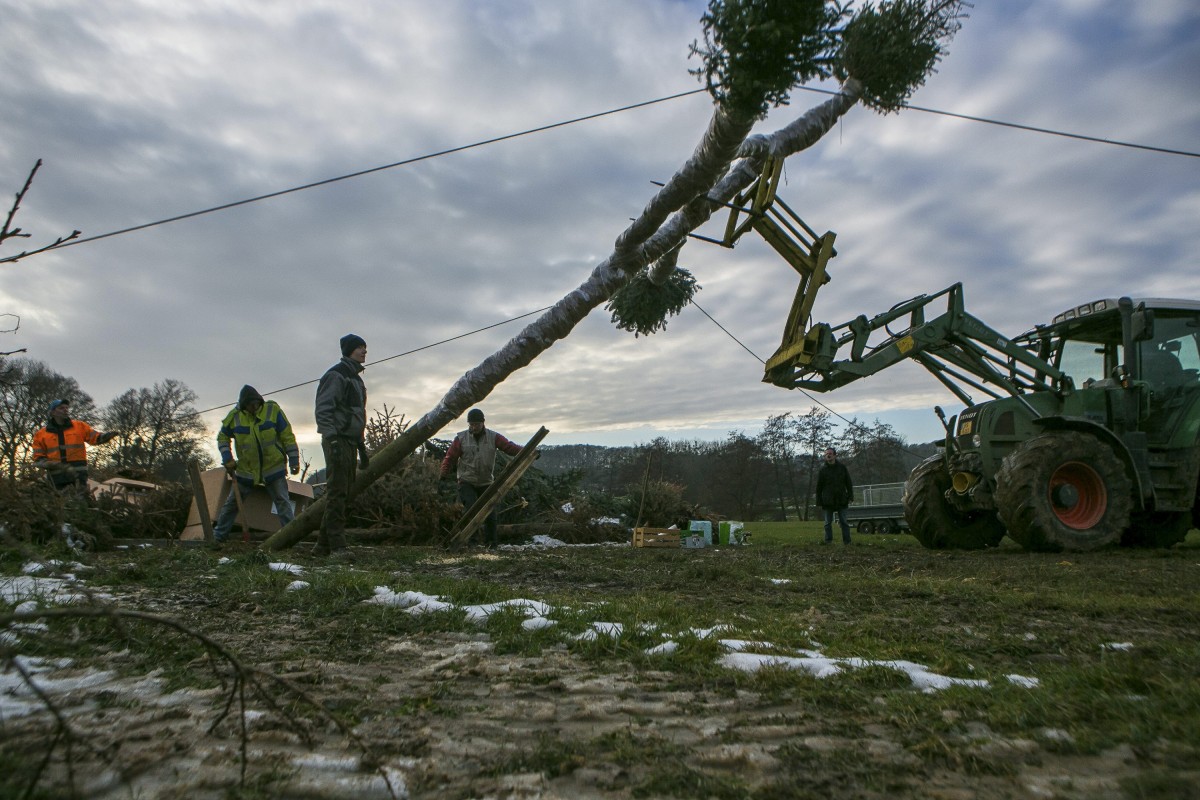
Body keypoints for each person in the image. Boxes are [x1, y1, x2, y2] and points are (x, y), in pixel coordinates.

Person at [212, 385, 300, 544]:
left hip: (273, 468)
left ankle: (290, 539)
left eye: (256, 404)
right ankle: (218, 537)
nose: (254, 408)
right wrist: (227, 458)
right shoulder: (234, 417)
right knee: (232, 504)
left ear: (260, 401)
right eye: (250, 405)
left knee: (283, 503)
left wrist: (294, 460)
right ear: (243, 405)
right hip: (247, 471)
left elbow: (287, 436)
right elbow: (222, 438)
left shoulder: (272, 411)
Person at [314, 333, 369, 557]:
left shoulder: (356, 379)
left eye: (365, 348)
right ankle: (337, 547)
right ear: (349, 350)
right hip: (337, 439)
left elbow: (357, 415)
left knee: (344, 493)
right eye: (360, 348)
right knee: (337, 492)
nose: (365, 351)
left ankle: (322, 546)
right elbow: (324, 409)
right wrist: (332, 438)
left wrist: (361, 446)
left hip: (350, 441)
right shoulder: (336, 375)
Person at [440, 408, 523, 548]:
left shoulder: (493, 437)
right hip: (466, 481)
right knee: (471, 509)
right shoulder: (461, 438)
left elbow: (509, 447)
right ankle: (470, 543)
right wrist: (443, 475)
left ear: (483, 423)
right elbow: (450, 458)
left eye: (476, 424)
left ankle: (491, 544)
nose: (474, 427)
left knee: (490, 513)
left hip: (486, 482)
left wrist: (528, 451)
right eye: (471, 424)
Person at [32, 399, 118, 492]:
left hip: (78, 475)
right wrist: (53, 464)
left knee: (80, 502)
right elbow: (38, 459)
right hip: (56, 478)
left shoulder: (79, 426)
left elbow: (96, 438)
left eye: (66, 408)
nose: (65, 410)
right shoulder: (41, 434)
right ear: (53, 412)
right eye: (61, 408)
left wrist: (106, 437)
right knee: (60, 503)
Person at [815, 446, 853, 544]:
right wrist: (819, 501)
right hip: (828, 500)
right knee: (827, 523)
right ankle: (828, 541)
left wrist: (850, 496)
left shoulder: (842, 468)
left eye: (830, 454)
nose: (828, 455)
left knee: (844, 522)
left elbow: (848, 483)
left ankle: (847, 542)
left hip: (841, 499)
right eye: (826, 454)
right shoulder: (823, 470)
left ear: (835, 455)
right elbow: (819, 487)